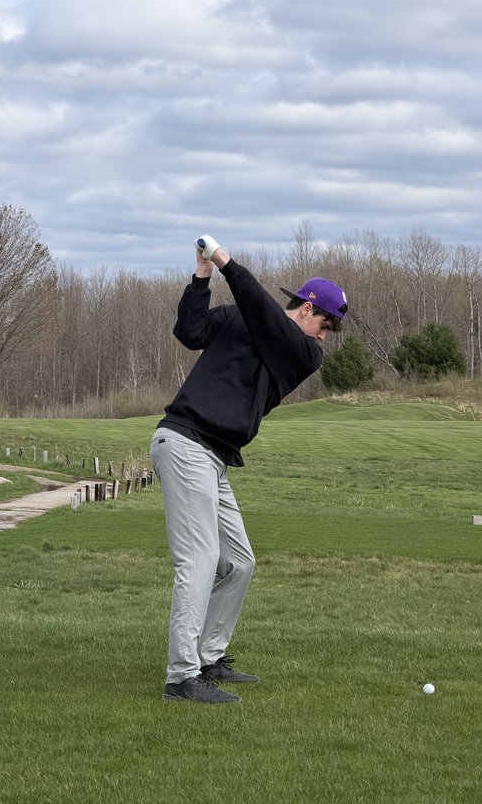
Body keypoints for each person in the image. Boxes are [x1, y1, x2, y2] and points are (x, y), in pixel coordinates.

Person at [150, 234, 348, 704]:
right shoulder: (242, 317)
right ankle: (181, 678)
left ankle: (206, 657)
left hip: (214, 457)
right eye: (326, 324)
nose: (325, 337)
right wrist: (202, 275)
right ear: (307, 308)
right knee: (198, 561)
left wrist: (226, 262)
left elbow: (263, 315)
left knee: (238, 562)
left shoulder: (302, 353)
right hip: (183, 442)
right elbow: (191, 333)